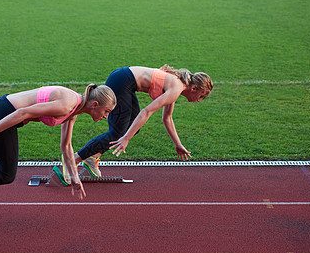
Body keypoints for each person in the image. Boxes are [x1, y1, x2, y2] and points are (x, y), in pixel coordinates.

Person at [0, 84, 116, 221]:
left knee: (3, 172)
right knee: (5, 173)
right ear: (95, 104)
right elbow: (24, 113)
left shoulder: (74, 109)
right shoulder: (67, 105)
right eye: (106, 111)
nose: (106, 116)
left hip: (7, 113)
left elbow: (66, 146)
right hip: (4, 113)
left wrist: (74, 177)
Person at [74, 65, 213, 177]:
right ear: (194, 88)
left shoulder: (177, 85)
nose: (199, 101)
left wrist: (178, 144)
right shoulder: (176, 88)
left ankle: (93, 157)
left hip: (124, 80)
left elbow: (167, 119)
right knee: (119, 134)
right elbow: (146, 111)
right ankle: (74, 160)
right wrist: (126, 139)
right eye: (201, 96)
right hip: (122, 81)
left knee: (133, 128)